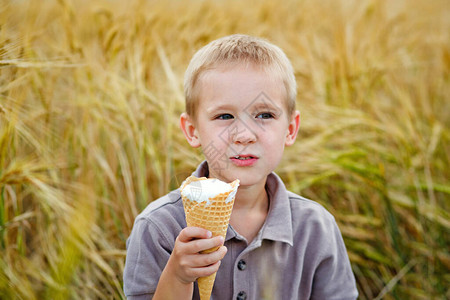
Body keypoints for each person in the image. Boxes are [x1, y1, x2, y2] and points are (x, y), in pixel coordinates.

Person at [123, 34, 358, 300]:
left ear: (291, 129)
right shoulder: (158, 228)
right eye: (225, 116)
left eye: (264, 115)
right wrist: (177, 277)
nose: (244, 134)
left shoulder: (316, 228)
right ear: (192, 130)